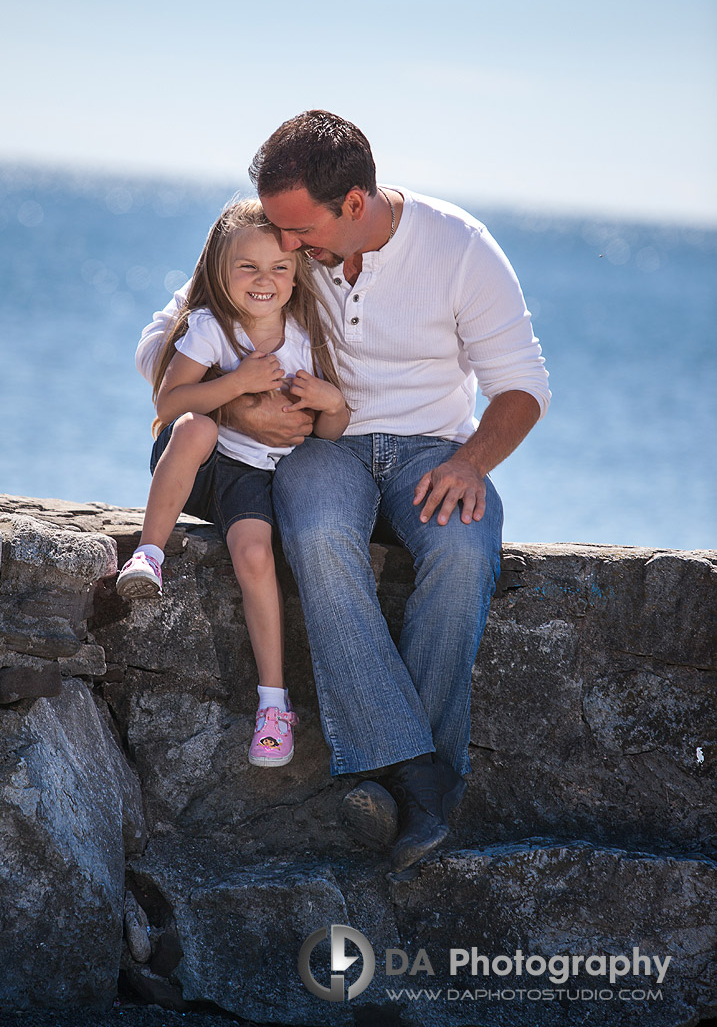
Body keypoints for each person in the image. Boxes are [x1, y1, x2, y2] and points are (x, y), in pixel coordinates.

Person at [136, 112, 550, 872]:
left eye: (301, 231)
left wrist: (472, 463)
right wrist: (234, 408)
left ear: (353, 204)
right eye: (280, 230)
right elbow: (156, 352)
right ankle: (422, 781)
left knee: (463, 554)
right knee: (322, 537)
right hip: (323, 448)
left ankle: (394, 778)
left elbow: (523, 386)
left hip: (435, 449)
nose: (287, 247)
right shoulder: (276, 244)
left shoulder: (459, 247)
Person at [121, 197, 349, 768]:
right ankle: (148, 554)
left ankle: (273, 705)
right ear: (221, 273)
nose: (263, 280)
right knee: (196, 427)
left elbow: (328, 431)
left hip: (253, 475)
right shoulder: (209, 328)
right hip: (195, 461)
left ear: (297, 279)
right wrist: (238, 382)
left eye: (278, 269)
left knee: (253, 554)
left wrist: (334, 403)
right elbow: (168, 404)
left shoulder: (306, 339)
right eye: (247, 267)